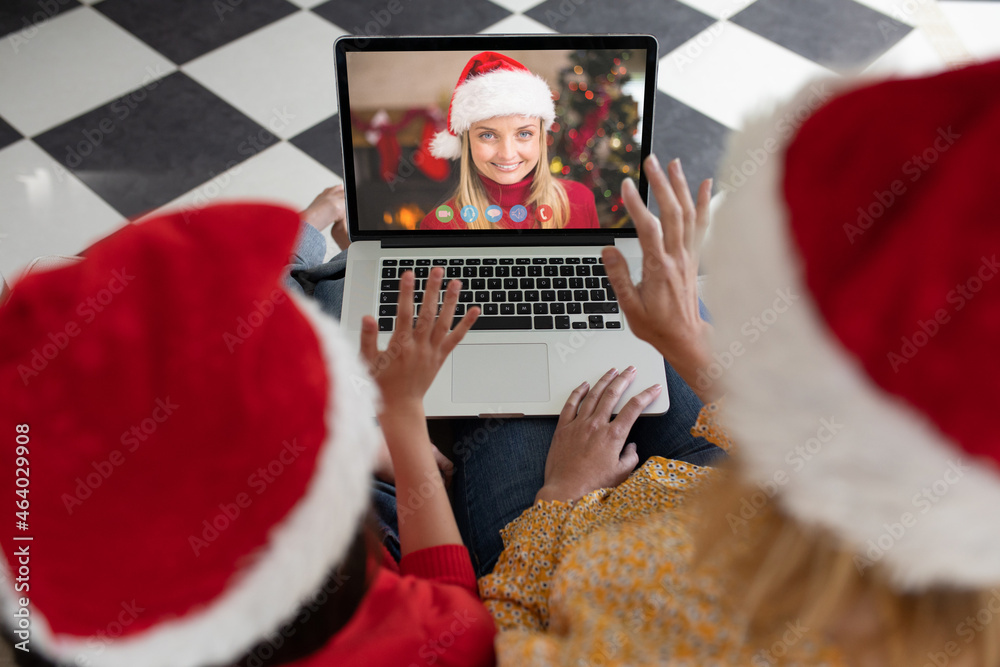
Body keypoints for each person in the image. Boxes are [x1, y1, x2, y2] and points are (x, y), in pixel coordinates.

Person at [475, 59, 1000, 665]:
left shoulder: (634, 588)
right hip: (710, 482)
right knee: (646, 318)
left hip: (575, 534)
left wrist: (561, 498)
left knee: (508, 400)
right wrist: (690, 343)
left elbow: (500, 645)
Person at [0, 203, 496, 666]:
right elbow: (457, 609)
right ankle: (326, 242)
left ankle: (323, 237)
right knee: (329, 294)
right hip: (381, 514)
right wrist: (401, 420)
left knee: (305, 294)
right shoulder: (402, 637)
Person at [419, 51, 599, 231]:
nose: (507, 154)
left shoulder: (580, 201)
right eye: (488, 135)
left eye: (524, 134)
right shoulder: (438, 225)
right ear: (467, 142)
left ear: (541, 138)